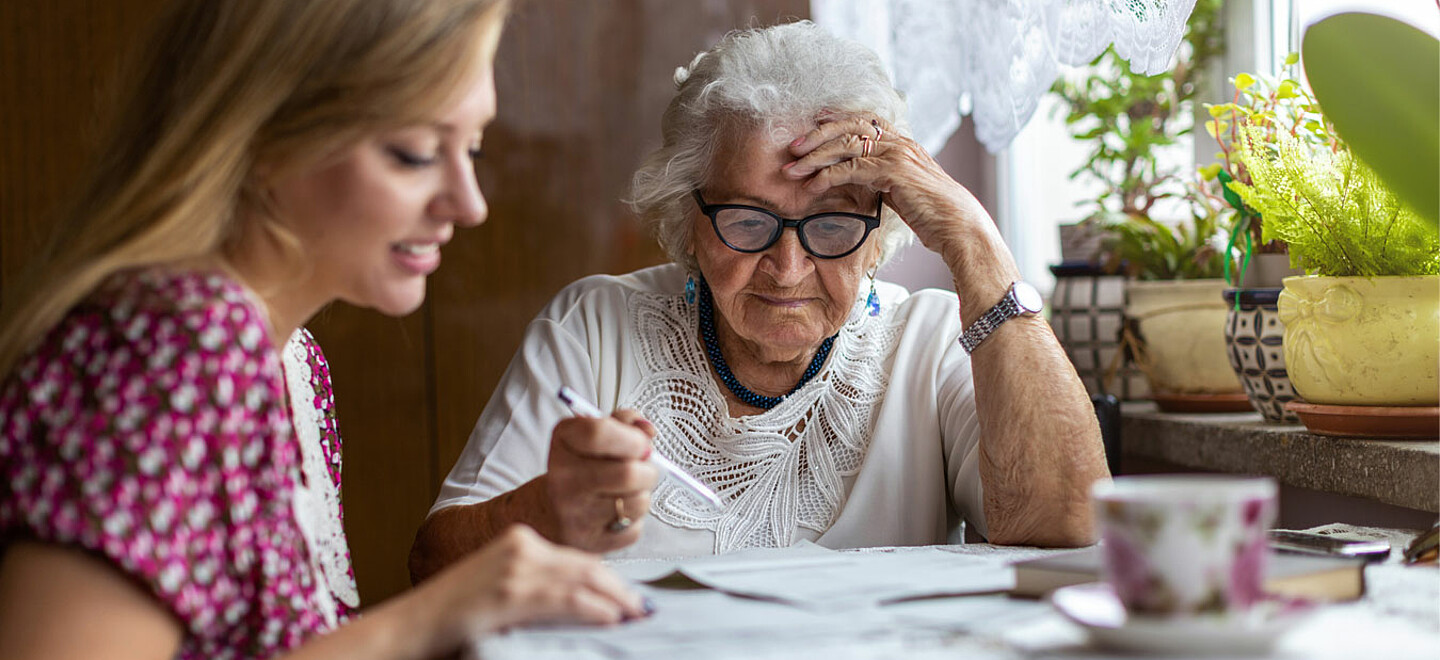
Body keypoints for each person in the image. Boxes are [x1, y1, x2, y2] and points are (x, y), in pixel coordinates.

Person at [0, 1, 649, 658]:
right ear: (262, 136)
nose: (470, 203)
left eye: (474, 147)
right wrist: (444, 609)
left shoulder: (293, 361)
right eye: (414, 153)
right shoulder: (170, 352)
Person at [408, 20, 1109, 576]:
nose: (788, 266)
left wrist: (974, 242)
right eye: (748, 221)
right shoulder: (596, 326)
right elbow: (434, 565)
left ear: (878, 231)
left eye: (832, 223)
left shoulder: (928, 343)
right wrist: (547, 509)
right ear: (689, 221)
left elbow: (1073, 527)